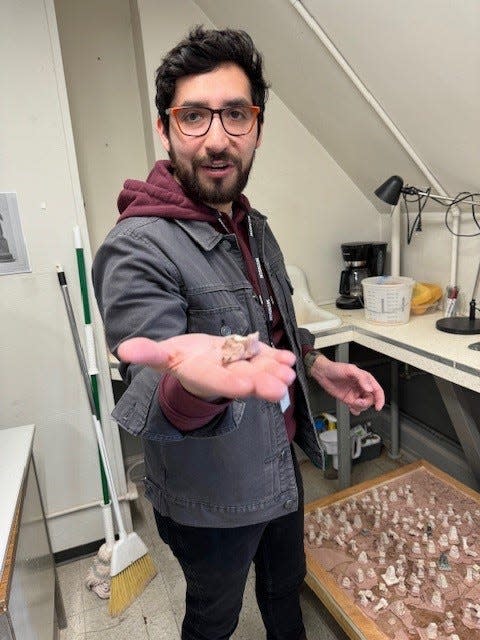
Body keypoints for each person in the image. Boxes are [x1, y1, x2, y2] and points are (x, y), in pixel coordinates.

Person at [92, 26, 384, 640]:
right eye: (194, 116)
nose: (217, 139)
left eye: (235, 115)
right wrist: (194, 384)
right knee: (215, 616)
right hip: (211, 497)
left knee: (285, 588)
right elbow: (159, 391)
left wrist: (317, 365)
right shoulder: (137, 248)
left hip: (279, 464)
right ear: (164, 127)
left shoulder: (255, 227)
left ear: (258, 126)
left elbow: (274, 326)